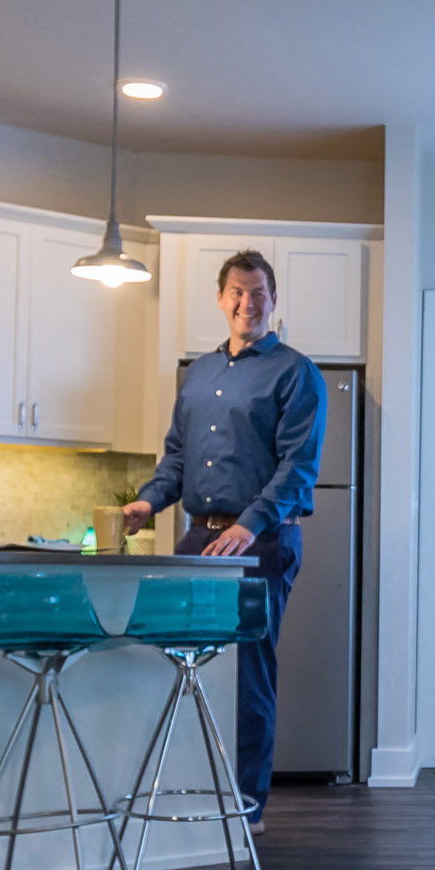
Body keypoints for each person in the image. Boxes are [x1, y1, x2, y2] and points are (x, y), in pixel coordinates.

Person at [121, 249, 324, 822]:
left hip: (262, 542)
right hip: (197, 541)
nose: (247, 303)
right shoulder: (200, 373)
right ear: (220, 298)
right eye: (237, 291)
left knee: (246, 675)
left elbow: (297, 468)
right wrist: (148, 501)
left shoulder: (295, 372)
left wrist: (247, 525)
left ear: (273, 300)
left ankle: (244, 808)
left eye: (258, 292)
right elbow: (177, 458)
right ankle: (193, 797)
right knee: (182, 668)